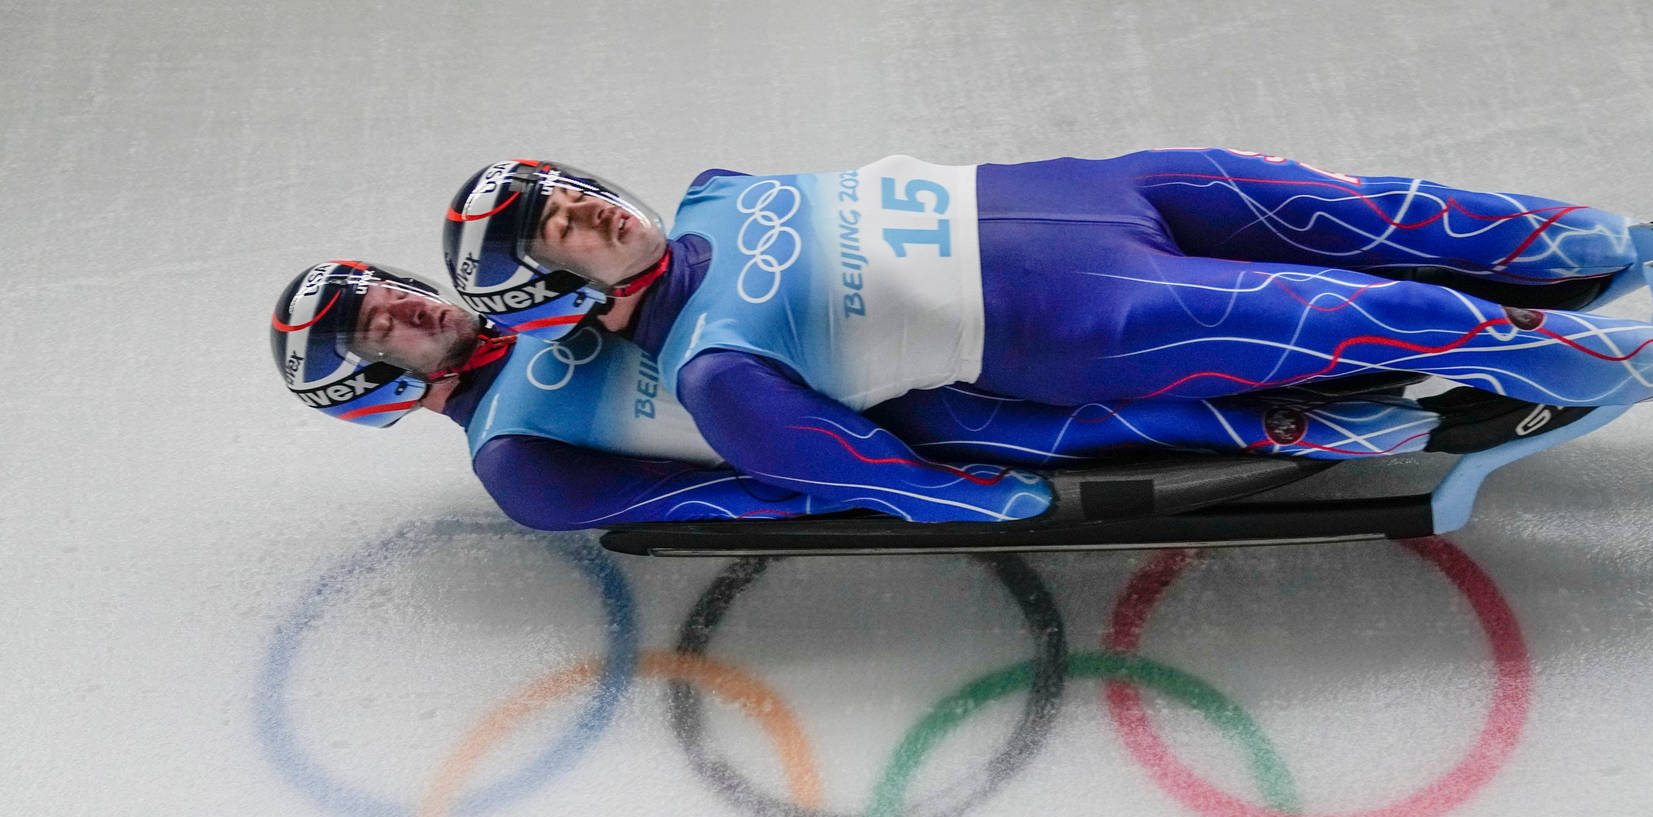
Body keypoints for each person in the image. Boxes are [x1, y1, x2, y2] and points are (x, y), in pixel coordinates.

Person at [270, 260, 1498, 526]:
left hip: (882, 332)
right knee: (1080, 407)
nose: (400, 306)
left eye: (385, 289)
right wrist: (889, 489)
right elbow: (722, 505)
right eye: (372, 327)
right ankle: (1336, 415)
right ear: (373, 384)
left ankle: (1391, 318)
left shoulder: (552, 294)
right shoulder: (517, 457)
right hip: (881, 422)